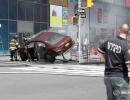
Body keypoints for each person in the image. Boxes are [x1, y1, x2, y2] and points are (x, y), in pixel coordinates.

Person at [98, 24, 130, 100]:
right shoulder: (126, 45)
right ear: (128, 32)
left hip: (107, 76)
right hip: (120, 77)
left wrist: (107, 60)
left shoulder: (109, 41)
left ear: (119, 30)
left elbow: (99, 51)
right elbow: (129, 65)